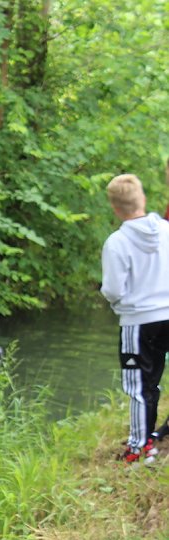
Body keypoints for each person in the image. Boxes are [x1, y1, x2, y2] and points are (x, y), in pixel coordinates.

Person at [100, 174, 169, 463]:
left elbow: (114, 289)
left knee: (141, 386)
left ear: (115, 208)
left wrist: (117, 302)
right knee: (153, 380)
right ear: (142, 199)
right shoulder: (167, 230)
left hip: (138, 322)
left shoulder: (116, 242)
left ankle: (139, 448)